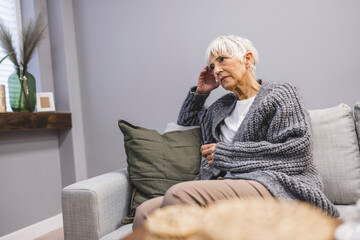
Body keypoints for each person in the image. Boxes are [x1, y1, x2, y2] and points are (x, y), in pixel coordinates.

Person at [132, 35, 339, 230]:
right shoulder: (222, 107)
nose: (217, 70)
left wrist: (228, 154)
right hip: (226, 185)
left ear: (247, 59)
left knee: (178, 195)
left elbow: (296, 153)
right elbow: (186, 122)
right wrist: (201, 92)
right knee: (145, 213)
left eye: (222, 60)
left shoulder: (281, 94)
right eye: (212, 66)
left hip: (274, 184)